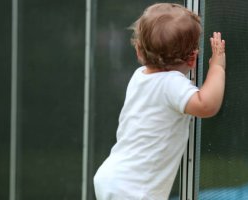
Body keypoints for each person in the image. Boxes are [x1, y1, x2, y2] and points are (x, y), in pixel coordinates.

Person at [94, 3, 226, 200]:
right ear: (192, 60)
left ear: (139, 51)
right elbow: (206, 105)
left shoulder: (140, 76)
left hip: (114, 176)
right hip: (135, 188)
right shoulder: (171, 83)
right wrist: (217, 67)